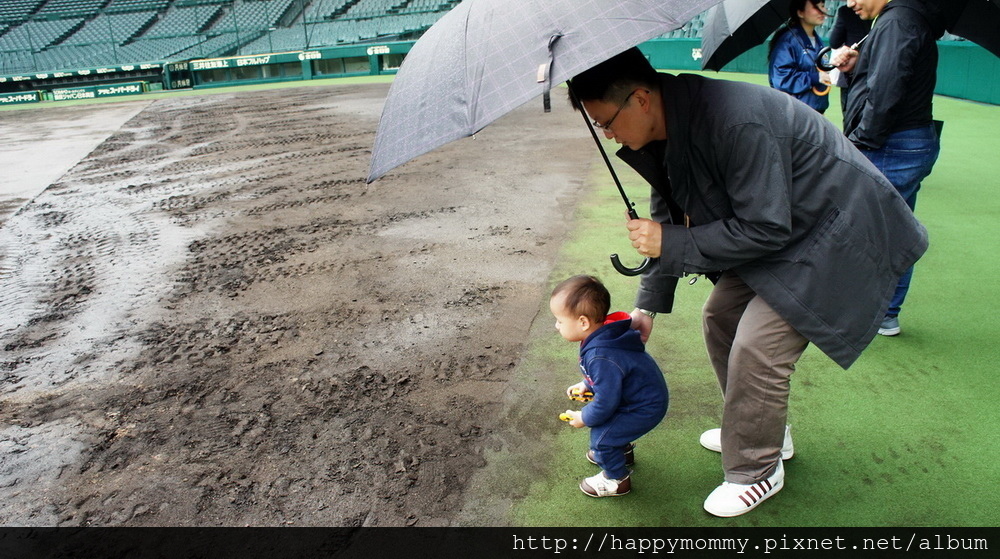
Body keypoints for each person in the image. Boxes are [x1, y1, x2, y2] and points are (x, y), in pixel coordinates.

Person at [569, 48, 927, 516]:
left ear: (640, 99)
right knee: (720, 316)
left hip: (836, 231)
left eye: (606, 122)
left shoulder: (735, 121)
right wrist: (646, 308)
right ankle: (760, 430)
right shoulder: (668, 124)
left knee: (759, 345)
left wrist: (669, 241)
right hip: (789, 229)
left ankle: (758, 468)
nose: (608, 134)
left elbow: (763, 227)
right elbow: (668, 214)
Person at [831, 0, 945, 337]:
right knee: (895, 230)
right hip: (903, 141)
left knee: (863, 230)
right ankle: (884, 314)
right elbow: (885, 78)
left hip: (892, 143)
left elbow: (886, 90)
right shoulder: (899, 18)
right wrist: (857, 65)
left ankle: (866, 313)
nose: (849, 2)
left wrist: (862, 141)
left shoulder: (899, 20)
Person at [550, 275, 668, 498]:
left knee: (601, 439)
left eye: (560, 321)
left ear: (583, 322)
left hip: (643, 407)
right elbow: (613, 375)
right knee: (610, 433)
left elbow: (605, 403)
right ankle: (620, 451)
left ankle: (616, 479)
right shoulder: (606, 334)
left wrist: (583, 417)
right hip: (640, 397)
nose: (557, 326)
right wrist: (587, 383)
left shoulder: (601, 355)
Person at [767, 0, 832, 113]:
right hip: (796, 112)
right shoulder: (788, 41)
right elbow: (781, 78)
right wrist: (815, 78)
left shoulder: (818, 41)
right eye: (816, 7)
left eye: (822, 6)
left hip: (817, 110)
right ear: (800, 13)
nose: (822, 11)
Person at [827, 4, 871, 115]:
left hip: (852, 76)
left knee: (849, 118)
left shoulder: (846, 11)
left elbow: (834, 42)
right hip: (868, 73)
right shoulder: (889, 11)